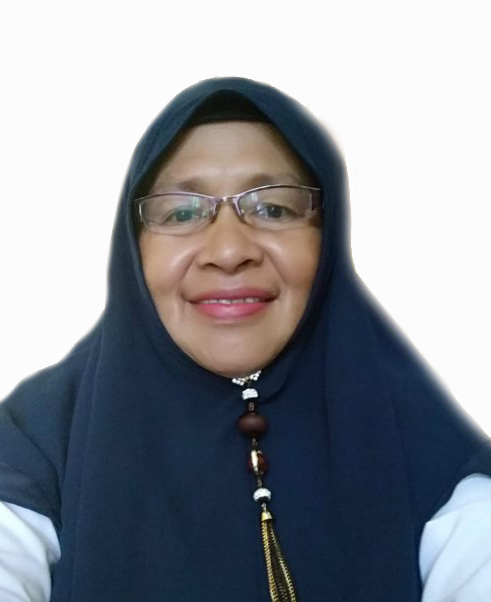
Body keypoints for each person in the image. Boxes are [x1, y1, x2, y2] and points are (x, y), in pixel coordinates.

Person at [0, 77, 491, 602]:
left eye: (273, 208)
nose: (229, 250)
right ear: (134, 246)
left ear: (328, 238)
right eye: (182, 211)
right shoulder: (39, 439)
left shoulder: (429, 452)